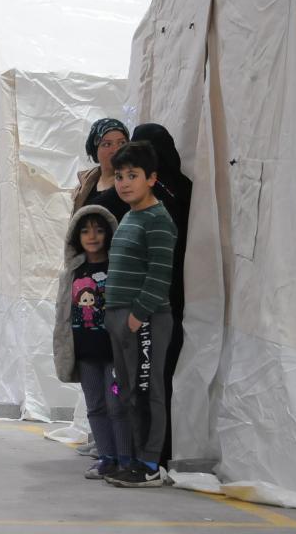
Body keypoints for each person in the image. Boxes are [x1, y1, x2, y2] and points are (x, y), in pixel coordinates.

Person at [102, 141, 177, 487]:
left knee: (149, 391)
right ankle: (132, 458)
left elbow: (160, 275)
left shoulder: (159, 220)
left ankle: (149, 464)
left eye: (133, 175)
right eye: (119, 176)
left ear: (151, 178)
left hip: (144, 319)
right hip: (120, 318)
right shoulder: (131, 216)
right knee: (128, 390)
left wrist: (138, 316)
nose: (125, 183)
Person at [54, 205, 132, 480]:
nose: (92, 236)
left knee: (117, 405)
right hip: (86, 353)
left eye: (99, 230)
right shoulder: (72, 272)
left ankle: (125, 459)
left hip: (114, 352)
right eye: (85, 231)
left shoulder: (118, 268)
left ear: (110, 233)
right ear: (76, 237)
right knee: (95, 406)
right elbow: (62, 315)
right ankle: (106, 458)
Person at [131, 123, 192, 466]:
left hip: (158, 297)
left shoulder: (162, 195)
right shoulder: (181, 188)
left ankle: (153, 453)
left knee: (152, 377)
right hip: (167, 294)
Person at [72, 118, 131, 221]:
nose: (116, 150)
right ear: (95, 151)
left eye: (121, 143)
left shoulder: (134, 184)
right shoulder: (86, 182)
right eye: (107, 144)